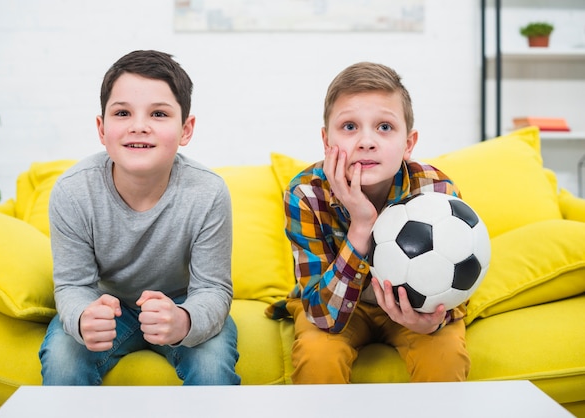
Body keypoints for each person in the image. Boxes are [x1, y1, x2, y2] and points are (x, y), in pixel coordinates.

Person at [39, 50, 240, 385]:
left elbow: (212, 287)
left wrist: (185, 320)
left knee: (211, 364)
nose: (139, 126)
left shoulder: (209, 192)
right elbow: (73, 284)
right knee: (62, 358)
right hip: (105, 306)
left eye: (158, 114)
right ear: (102, 129)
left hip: (181, 305)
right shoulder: (73, 191)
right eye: (122, 113)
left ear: (186, 129)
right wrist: (83, 317)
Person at [265, 62, 470, 384]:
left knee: (445, 355)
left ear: (409, 143)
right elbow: (322, 315)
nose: (366, 141)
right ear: (326, 140)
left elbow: (458, 281)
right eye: (349, 127)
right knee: (318, 356)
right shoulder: (306, 193)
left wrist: (432, 321)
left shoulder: (435, 190)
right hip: (335, 304)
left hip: (412, 307)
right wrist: (362, 225)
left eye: (384, 127)